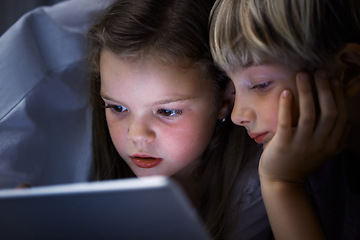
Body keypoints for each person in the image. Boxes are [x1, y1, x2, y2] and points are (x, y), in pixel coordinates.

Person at [86, 0, 271, 239]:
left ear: (224, 102)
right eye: (118, 107)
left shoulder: (253, 185)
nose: (136, 135)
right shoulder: (89, 166)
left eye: (167, 112)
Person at [210, 0, 360, 239]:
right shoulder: (297, 154)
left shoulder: (287, 167)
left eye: (260, 84)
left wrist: (282, 184)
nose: (237, 116)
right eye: (234, 88)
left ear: (349, 70)